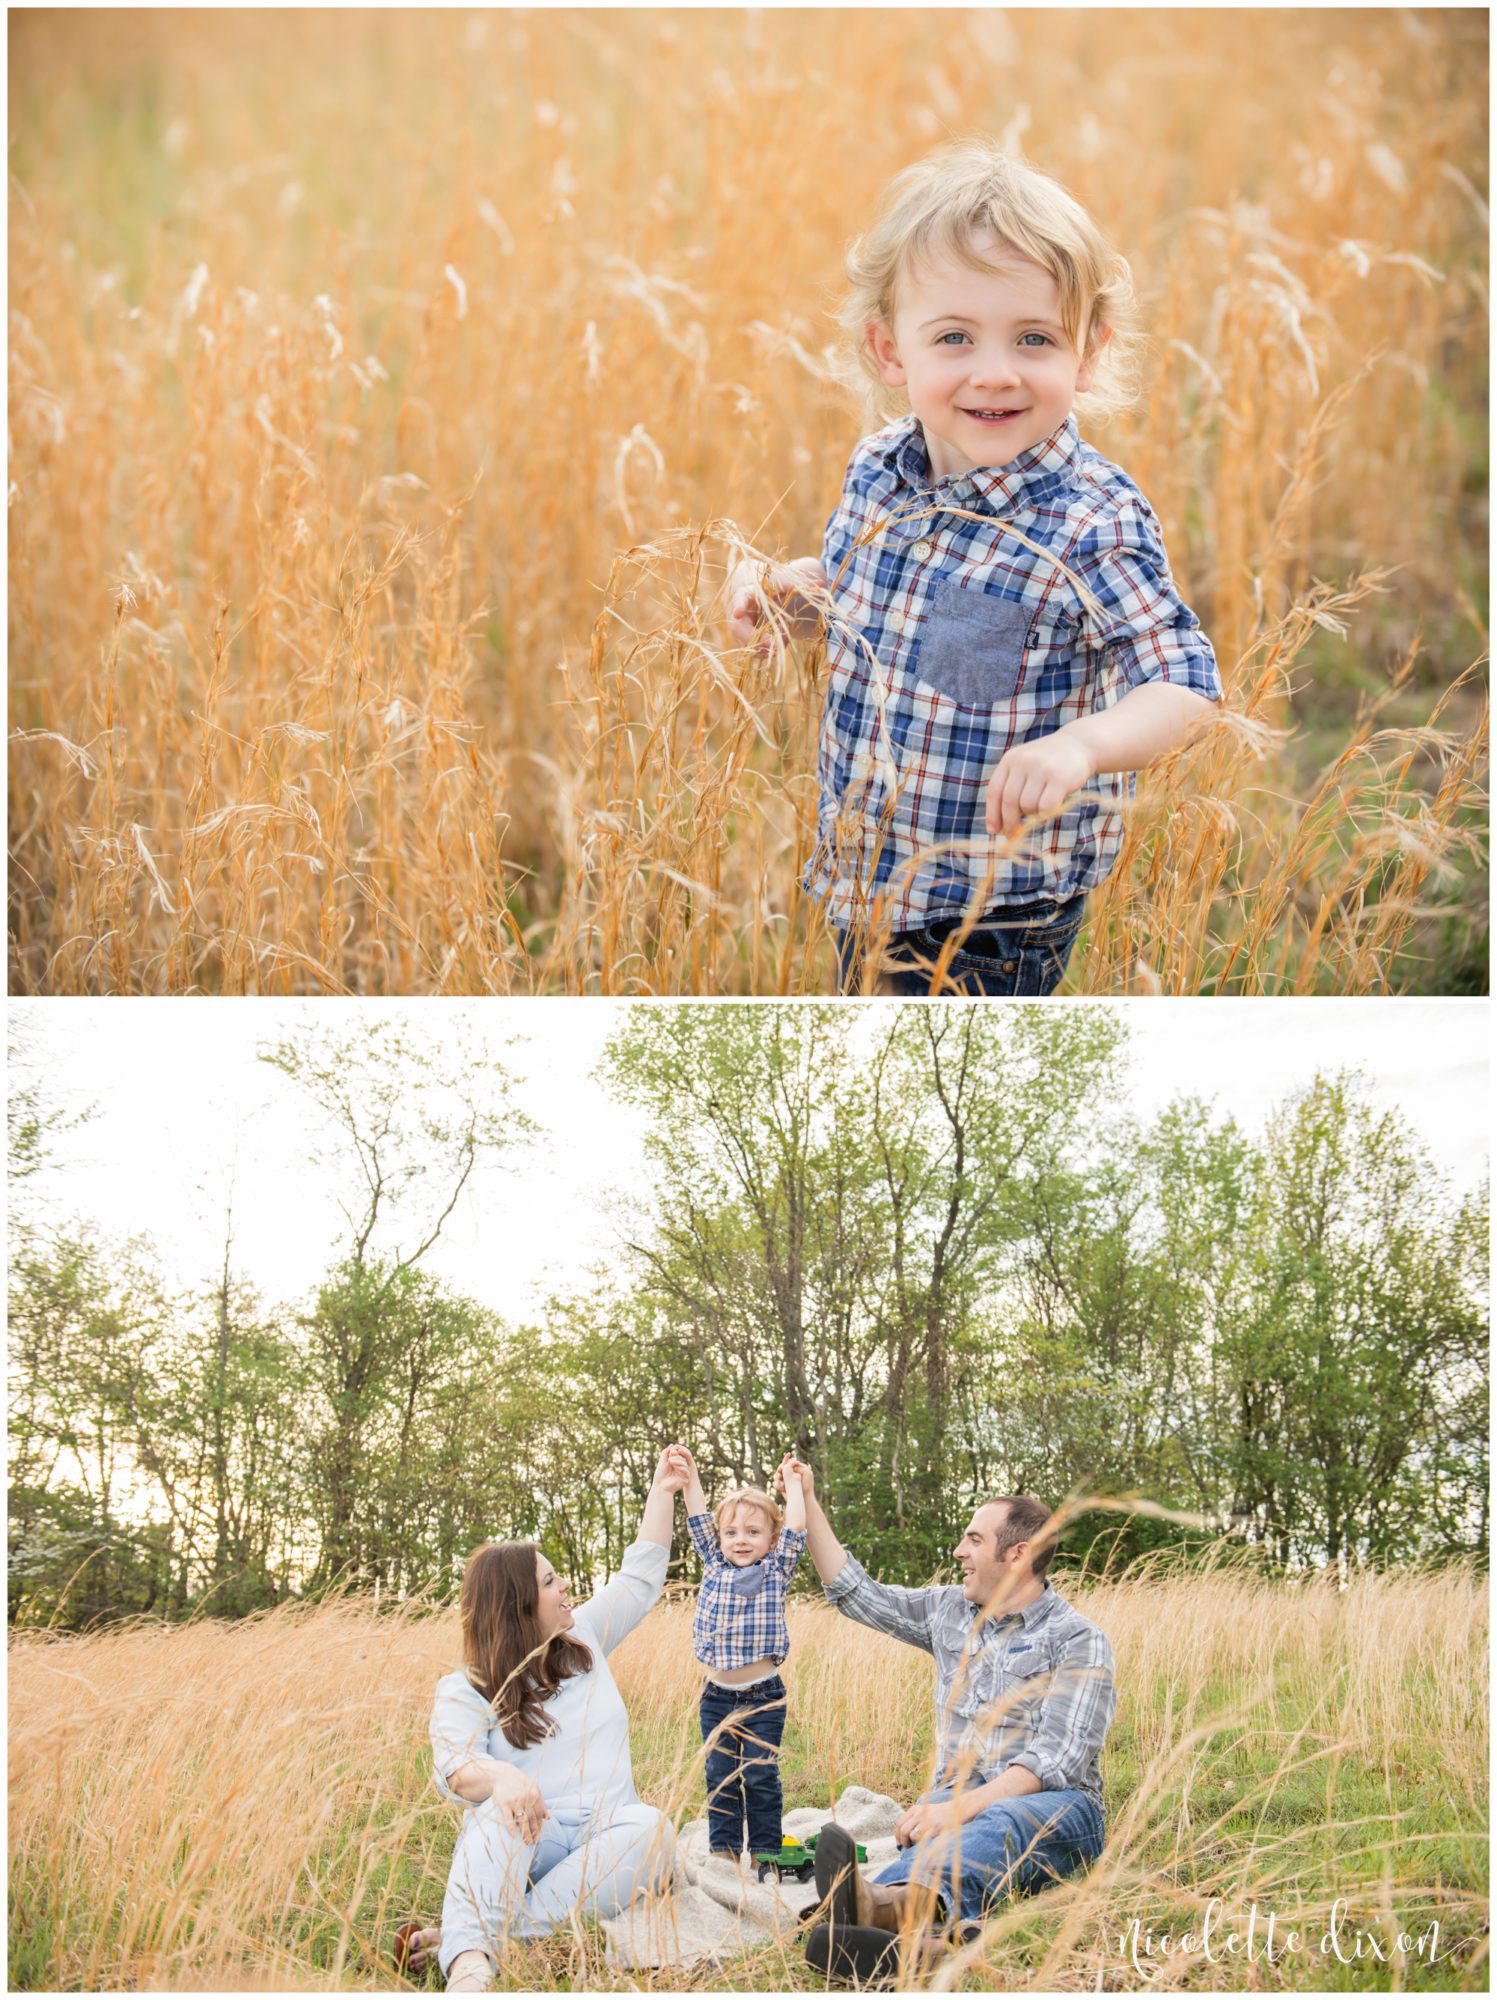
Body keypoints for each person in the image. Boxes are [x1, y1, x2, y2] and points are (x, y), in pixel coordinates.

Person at [726, 141, 1222, 996]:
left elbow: (1185, 685)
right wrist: (789, 598)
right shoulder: (879, 471)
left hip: (993, 913)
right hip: (867, 873)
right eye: (953, 337)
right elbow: (866, 609)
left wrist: (1082, 745)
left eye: (1034, 339)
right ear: (890, 351)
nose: (995, 373)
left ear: (1087, 353)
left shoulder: (1087, 523)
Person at [779, 1457, 1116, 1984]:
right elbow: (856, 1593)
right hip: (962, 1794)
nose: (959, 1551)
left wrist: (958, 1807)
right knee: (935, 1833)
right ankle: (912, 1932)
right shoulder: (949, 1612)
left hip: (1061, 1809)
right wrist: (809, 1499)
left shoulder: (1077, 1639)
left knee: (992, 1822)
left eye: (974, 1540)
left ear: (1018, 1554)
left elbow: (1057, 1760)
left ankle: (880, 1911)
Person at [401, 1449, 689, 1991]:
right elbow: (456, 1768)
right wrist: (504, 1778)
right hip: (529, 1841)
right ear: (519, 1607)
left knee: (653, 1829)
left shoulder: (584, 1639)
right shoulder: (467, 1686)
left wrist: (663, 1490)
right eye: (551, 1581)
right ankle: (469, 1973)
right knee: (498, 1812)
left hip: (609, 1835)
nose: (566, 1588)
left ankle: (476, 1940)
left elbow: (640, 1577)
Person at [670, 1446, 807, 1867]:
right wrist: (691, 1478)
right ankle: (725, 1854)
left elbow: (797, 1526)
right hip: (716, 1697)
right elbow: (697, 1517)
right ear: (720, 1539)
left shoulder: (776, 1568)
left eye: (752, 1531)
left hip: (764, 1696)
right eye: (731, 1532)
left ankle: (765, 1854)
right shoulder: (714, 1563)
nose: (741, 1540)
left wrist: (794, 1486)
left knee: (761, 1775)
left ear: (771, 1539)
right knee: (720, 1775)